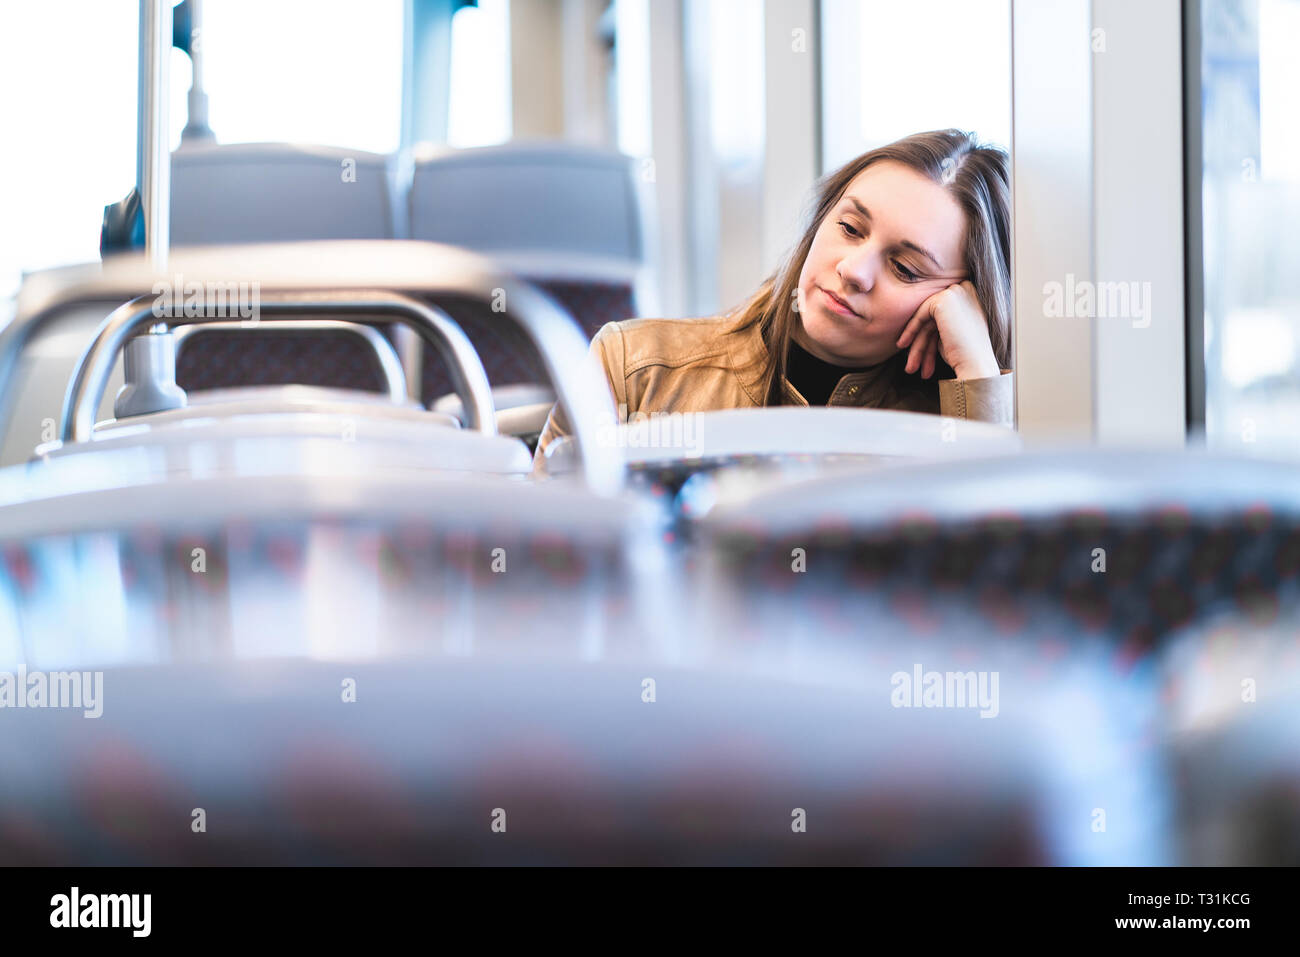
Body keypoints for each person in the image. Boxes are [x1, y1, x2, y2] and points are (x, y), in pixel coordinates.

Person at [532, 128, 1013, 475]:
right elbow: (540, 569)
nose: (853, 270)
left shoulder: (950, 421)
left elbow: (1000, 591)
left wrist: (977, 377)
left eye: (904, 269)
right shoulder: (633, 368)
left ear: (957, 300)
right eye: (849, 228)